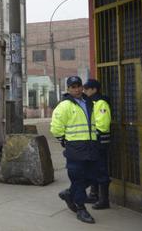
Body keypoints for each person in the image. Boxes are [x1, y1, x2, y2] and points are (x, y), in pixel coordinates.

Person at [51, 76, 98, 224]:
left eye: (79, 86)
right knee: (77, 178)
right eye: (73, 87)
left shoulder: (89, 102)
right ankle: (81, 209)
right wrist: (63, 139)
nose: (77, 89)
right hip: (75, 148)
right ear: (68, 89)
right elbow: (56, 127)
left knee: (92, 177)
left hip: (90, 146)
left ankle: (69, 193)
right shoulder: (64, 106)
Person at [83, 79, 112, 209]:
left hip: (99, 142)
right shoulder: (91, 102)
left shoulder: (101, 103)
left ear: (94, 89)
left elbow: (102, 125)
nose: (85, 91)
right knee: (92, 168)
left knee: (101, 170)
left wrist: (93, 137)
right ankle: (94, 194)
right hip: (92, 142)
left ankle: (104, 200)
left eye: (87, 88)